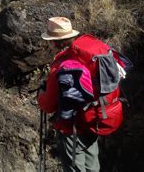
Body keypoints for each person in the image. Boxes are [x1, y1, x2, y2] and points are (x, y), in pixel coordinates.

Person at [37, 17, 100, 172]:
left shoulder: (60, 66)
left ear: (53, 42)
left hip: (70, 127)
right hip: (93, 119)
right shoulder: (86, 57)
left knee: (75, 167)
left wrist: (40, 94)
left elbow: (48, 105)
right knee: (92, 166)